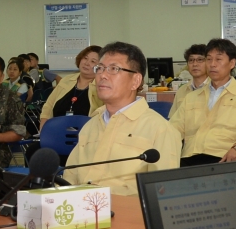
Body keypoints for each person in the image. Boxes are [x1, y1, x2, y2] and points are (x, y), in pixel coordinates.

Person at [62, 42, 180, 194]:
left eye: (113, 69)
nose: (102, 75)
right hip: (82, 211)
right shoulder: (90, 126)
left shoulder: (160, 130)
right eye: (100, 68)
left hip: (128, 214)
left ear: (135, 81)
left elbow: (164, 192)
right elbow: (69, 179)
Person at [173, 38, 236, 166]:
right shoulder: (191, 97)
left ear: (232, 63)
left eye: (218, 59)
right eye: (209, 59)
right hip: (190, 157)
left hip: (225, 159)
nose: (212, 64)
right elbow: (174, 129)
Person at [41, 45, 102, 121]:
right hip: (57, 130)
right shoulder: (66, 80)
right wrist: (43, 128)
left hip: (86, 132)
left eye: (93, 61)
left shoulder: (101, 86)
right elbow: (48, 106)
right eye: (85, 58)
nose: (87, 63)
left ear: (100, 67)